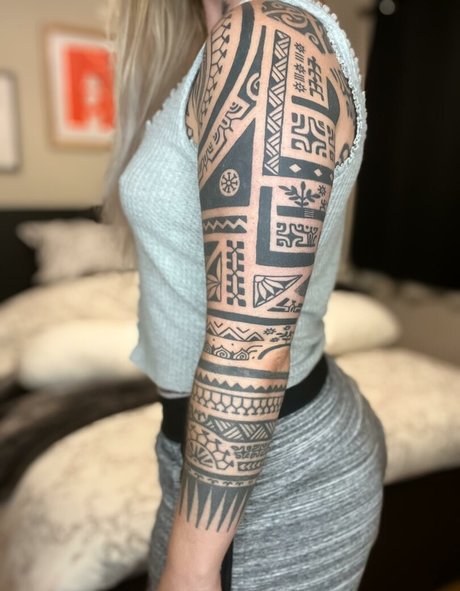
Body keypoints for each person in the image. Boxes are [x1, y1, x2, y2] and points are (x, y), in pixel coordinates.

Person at [102, 1, 388, 590]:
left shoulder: (263, 38)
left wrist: (191, 567)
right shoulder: (228, 43)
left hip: (267, 479)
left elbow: (251, 348)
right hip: (234, 459)